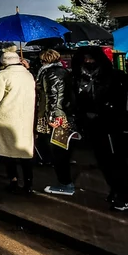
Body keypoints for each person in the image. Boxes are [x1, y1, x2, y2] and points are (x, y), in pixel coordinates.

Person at [71, 46, 128, 211]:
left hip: (114, 124)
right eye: (85, 59)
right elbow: (76, 99)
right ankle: (116, 190)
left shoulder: (116, 76)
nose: (88, 62)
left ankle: (123, 195)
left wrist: (106, 109)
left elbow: (124, 100)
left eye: (91, 58)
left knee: (118, 161)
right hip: (93, 125)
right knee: (104, 160)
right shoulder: (77, 77)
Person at [0, 48, 37, 194]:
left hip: (7, 117)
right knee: (24, 152)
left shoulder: (3, 75)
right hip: (26, 117)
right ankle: (29, 184)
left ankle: (14, 180)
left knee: (7, 151)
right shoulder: (29, 75)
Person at [37, 49, 76, 196]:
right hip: (61, 114)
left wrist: (51, 117)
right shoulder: (62, 71)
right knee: (59, 149)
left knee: (58, 150)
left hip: (56, 116)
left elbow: (53, 96)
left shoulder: (50, 73)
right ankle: (64, 182)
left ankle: (65, 183)